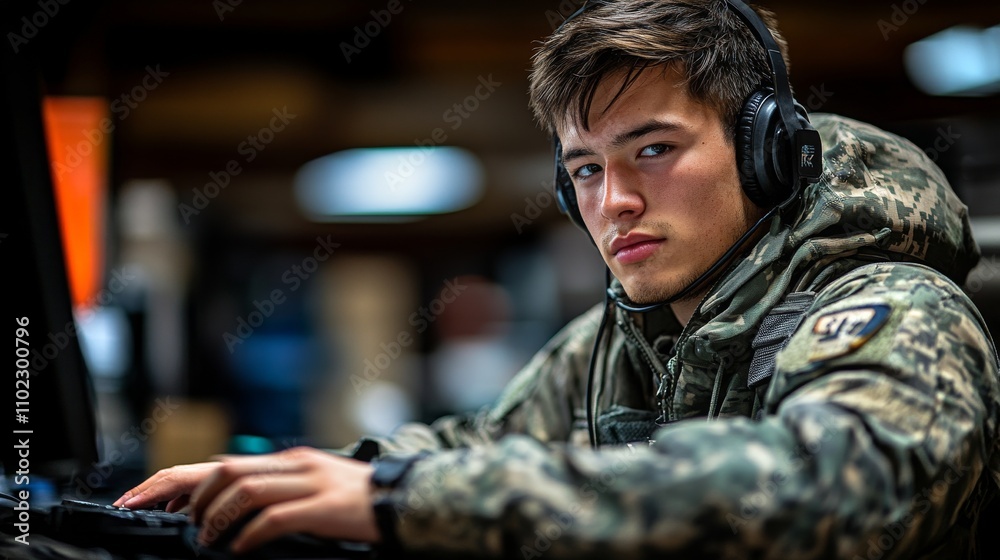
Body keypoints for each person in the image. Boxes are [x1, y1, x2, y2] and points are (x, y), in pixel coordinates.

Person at [114, 0, 1000, 558]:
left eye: (653, 149)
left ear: (767, 153)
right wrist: (312, 479)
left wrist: (403, 502)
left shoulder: (897, 308)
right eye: (583, 169)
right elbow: (483, 449)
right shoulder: (618, 341)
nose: (612, 202)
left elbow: (829, 491)